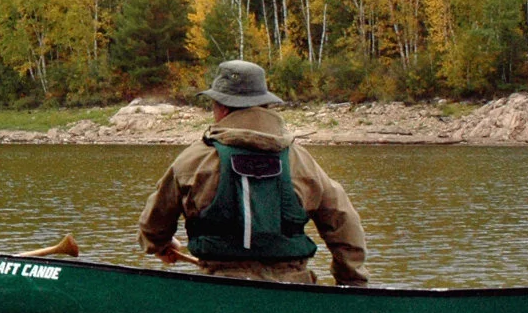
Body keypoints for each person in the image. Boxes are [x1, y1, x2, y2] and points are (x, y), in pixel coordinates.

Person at [137, 59, 368, 286]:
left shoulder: (193, 160)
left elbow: (154, 223)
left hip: (216, 287)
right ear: (263, 105)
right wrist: (351, 281)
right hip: (295, 288)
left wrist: (159, 244)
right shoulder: (302, 161)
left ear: (223, 108)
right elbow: (343, 222)